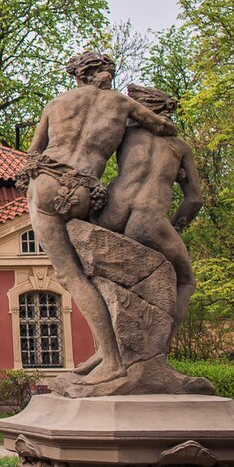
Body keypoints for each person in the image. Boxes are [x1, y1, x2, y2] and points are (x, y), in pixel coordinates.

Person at [18, 51, 178, 379]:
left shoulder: (57, 104)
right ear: (107, 74)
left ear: (77, 76)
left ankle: (111, 357)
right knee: (96, 270)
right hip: (87, 191)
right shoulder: (122, 104)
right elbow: (162, 125)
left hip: (48, 183)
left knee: (71, 275)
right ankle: (107, 351)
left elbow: (33, 153)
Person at [95, 84, 204, 325]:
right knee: (186, 280)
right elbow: (194, 199)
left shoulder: (125, 135)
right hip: (149, 216)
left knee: (102, 278)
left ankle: (108, 346)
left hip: (112, 210)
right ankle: (159, 349)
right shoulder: (180, 147)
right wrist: (175, 227)